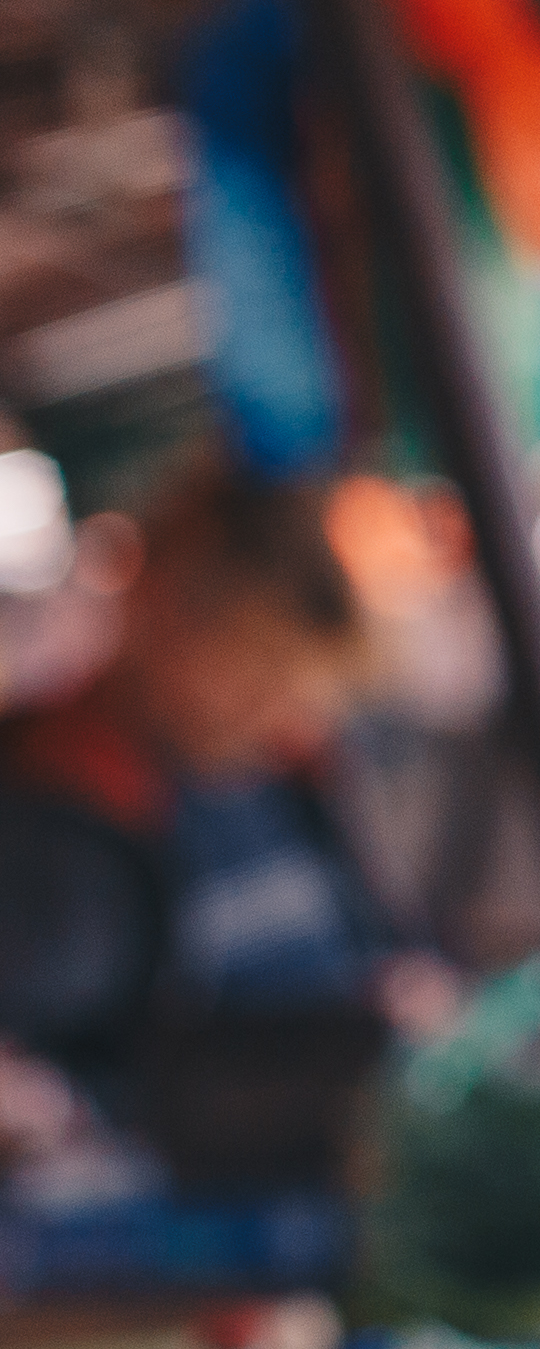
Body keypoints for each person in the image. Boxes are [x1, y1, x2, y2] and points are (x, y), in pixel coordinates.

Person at [0, 459, 420, 1211]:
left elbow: (381, 940)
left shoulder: (298, 780)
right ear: (159, 609)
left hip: (343, 1196)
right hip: (151, 1240)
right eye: (257, 671)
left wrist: (408, 991)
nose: (283, 713)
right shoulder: (52, 795)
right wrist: (52, 1103)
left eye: (301, 690)